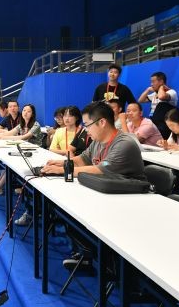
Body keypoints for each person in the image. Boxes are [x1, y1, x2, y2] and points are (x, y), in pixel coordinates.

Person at [41, 102, 146, 267]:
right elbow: (82, 159)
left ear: (102, 122)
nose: (86, 129)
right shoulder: (97, 141)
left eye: (88, 125)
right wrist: (61, 163)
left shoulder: (124, 143)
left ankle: (105, 263)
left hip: (130, 202)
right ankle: (88, 254)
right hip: (107, 194)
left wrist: (62, 170)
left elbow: (100, 169)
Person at [138, 71, 178, 139]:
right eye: (151, 82)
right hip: (153, 122)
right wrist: (148, 90)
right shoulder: (154, 94)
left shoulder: (171, 92)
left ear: (161, 81)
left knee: (161, 104)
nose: (151, 84)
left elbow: (161, 97)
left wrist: (161, 87)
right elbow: (140, 100)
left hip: (164, 124)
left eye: (153, 81)